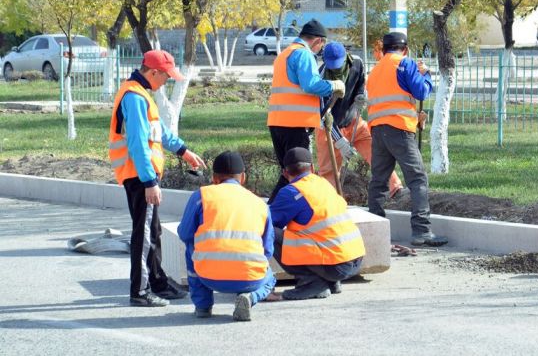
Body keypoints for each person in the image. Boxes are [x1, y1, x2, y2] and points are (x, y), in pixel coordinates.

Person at [108, 50, 205, 307]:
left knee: (153, 230)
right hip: (140, 177)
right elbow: (138, 144)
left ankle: (157, 281)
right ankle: (140, 292)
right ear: (153, 72)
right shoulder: (135, 98)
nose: (167, 81)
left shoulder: (141, 95)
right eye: (166, 77)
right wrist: (150, 182)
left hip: (142, 175)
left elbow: (159, 132)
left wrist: (185, 152)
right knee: (145, 233)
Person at [366, 32, 448, 247]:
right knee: (417, 179)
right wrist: (426, 75)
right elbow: (420, 92)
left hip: (377, 130)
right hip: (400, 129)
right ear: (404, 48)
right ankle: (421, 230)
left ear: (384, 49)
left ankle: (376, 232)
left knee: (379, 181)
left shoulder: (374, 71)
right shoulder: (405, 63)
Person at [177, 151, 279, 321]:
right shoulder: (260, 204)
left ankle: (203, 306)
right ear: (243, 178)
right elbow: (267, 250)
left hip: (208, 277)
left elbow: (185, 234)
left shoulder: (201, 196)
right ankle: (249, 297)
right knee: (270, 279)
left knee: (190, 248)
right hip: (249, 279)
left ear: (215, 179)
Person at [269, 147, 365, 300]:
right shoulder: (324, 183)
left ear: (285, 173)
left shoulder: (292, 192)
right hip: (355, 259)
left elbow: (268, 221)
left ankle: (312, 283)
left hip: (335, 264)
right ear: (312, 168)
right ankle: (330, 281)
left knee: (268, 231)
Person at [267, 19, 345, 203]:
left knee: (289, 173)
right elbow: (310, 85)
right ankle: (269, 216)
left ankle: (274, 217)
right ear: (317, 41)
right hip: (295, 125)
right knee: (297, 175)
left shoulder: (285, 54)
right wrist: (333, 85)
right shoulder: (303, 54)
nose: (321, 49)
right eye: (322, 45)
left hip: (278, 122)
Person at [314, 42, 406, 197]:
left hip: (353, 121)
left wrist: (360, 96)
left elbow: (361, 82)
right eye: (332, 65)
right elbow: (322, 115)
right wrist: (339, 141)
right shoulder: (321, 77)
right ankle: (331, 203)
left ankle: (395, 189)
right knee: (328, 171)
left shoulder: (356, 63)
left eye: (338, 64)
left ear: (345, 57)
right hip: (328, 130)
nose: (335, 68)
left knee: (377, 153)